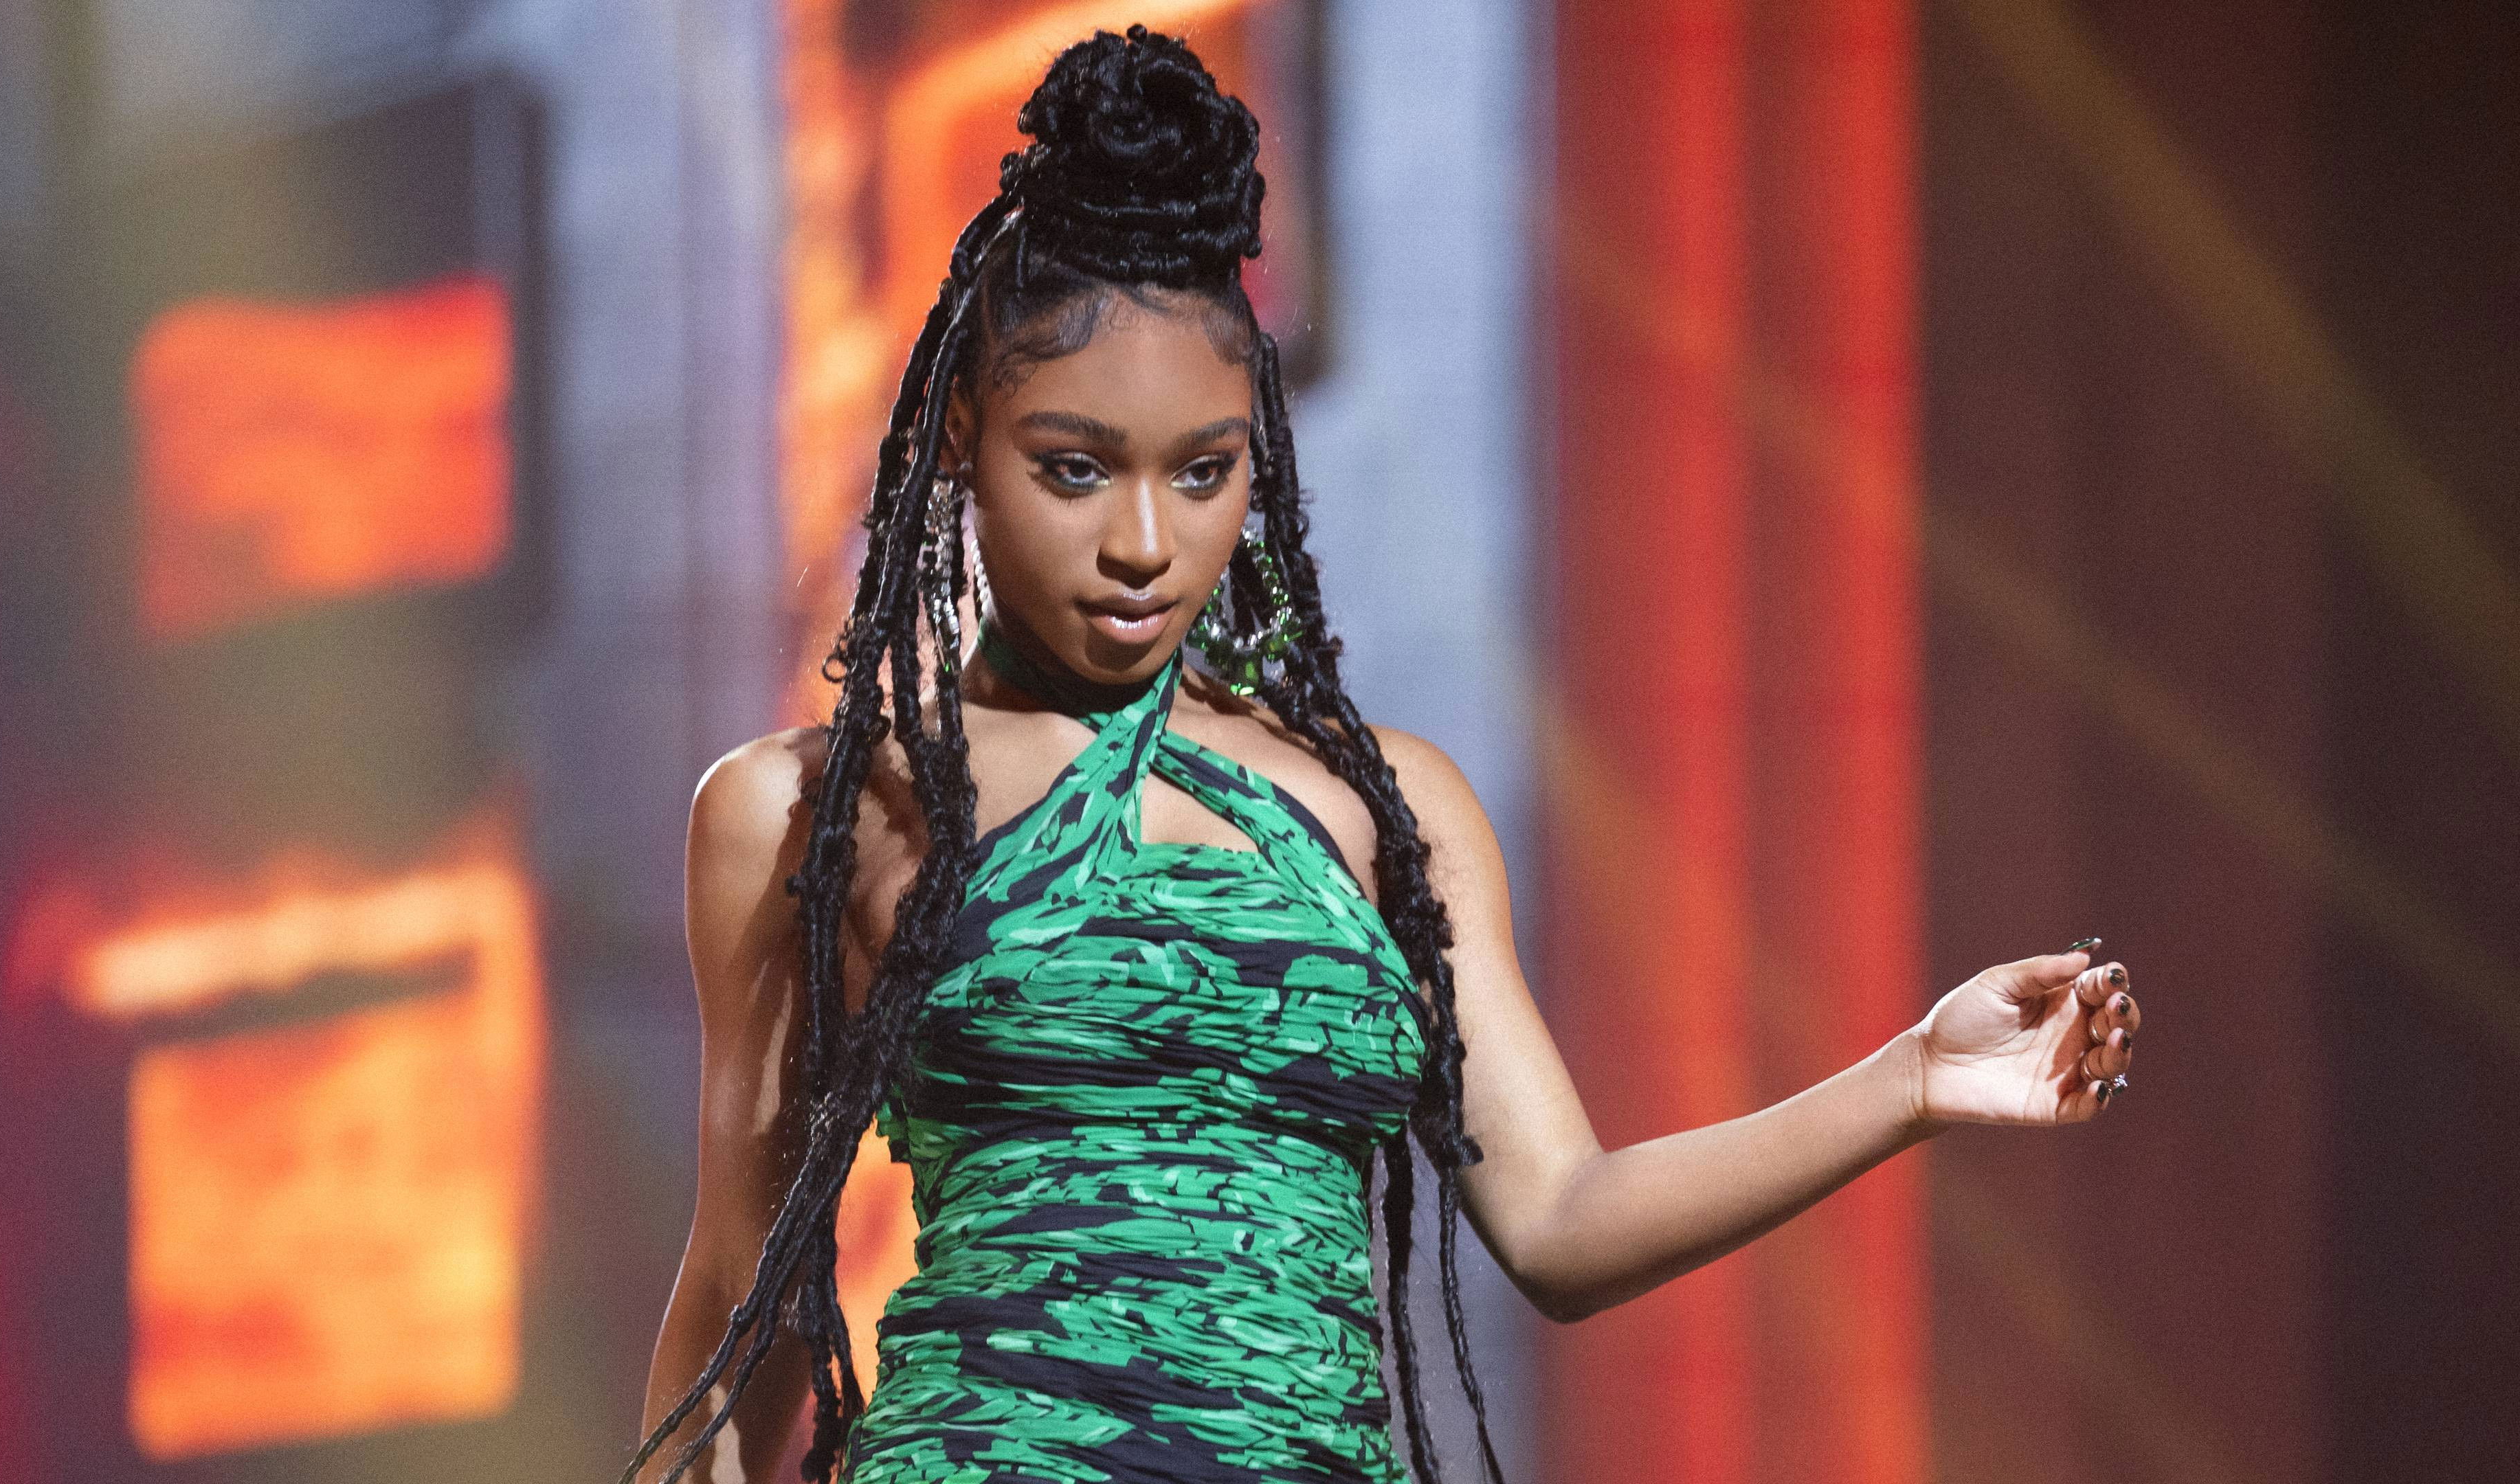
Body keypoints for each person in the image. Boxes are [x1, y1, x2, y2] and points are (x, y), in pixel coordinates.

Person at [628, 25, 2143, 1484]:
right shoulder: (808, 810)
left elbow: (1558, 1221)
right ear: (962, 430)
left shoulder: (1385, 810)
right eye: (1075, 469)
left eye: (1203, 473)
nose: (1145, 542)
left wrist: (1909, 1078)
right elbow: (746, 1302)